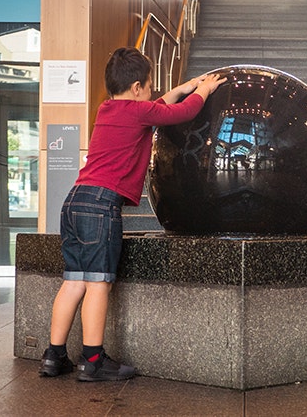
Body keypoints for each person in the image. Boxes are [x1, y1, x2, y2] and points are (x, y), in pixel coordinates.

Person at [38, 47, 226, 382]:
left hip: (75, 201)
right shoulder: (137, 112)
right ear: (137, 87)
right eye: (150, 85)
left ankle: (54, 356)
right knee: (98, 284)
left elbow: (159, 105)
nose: (153, 91)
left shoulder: (109, 108)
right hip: (100, 205)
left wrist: (184, 86)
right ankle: (93, 361)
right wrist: (203, 90)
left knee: (74, 281)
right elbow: (182, 113)